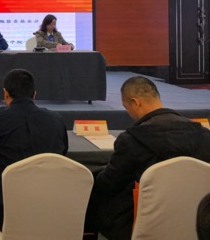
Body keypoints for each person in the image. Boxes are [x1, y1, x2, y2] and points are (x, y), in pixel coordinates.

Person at [86, 76, 210, 240]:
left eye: (126, 107)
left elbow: (109, 184)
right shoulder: (203, 135)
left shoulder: (132, 140)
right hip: (196, 218)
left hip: (137, 222)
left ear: (135, 103)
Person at [0, 69, 68, 230]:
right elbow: (63, 155)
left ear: (5, 94)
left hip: (7, 212)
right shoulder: (57, 120)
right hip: (51, 208)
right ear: (34, 95)